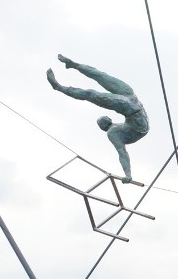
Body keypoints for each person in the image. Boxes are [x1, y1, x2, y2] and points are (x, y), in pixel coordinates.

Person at [47, 54, 148, 183]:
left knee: (100, 76)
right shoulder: (113, 133)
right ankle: (59, 87)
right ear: (104, 126)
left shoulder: (117, 126)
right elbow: (122, 153)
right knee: (90, 94)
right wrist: (128, 174)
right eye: (101, 121)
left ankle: (73, 65)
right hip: (131, 111)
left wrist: (128, 175)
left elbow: (123, 153)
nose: (102, 119)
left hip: (132, 99)